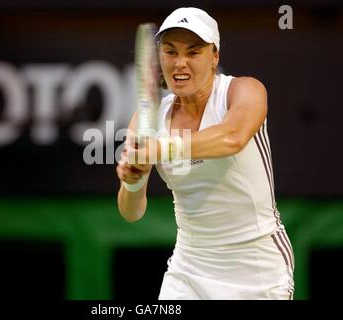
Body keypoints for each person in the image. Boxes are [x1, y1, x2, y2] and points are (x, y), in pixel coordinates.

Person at [116, 7, 294, 300]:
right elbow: (131, 212)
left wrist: (161, 148)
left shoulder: (244, 90)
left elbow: (231, 138)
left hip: (257, 268)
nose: (180, 63)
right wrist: (132, 181)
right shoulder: (148, 119)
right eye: (170, 52)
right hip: (189, 269)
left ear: (215, 57)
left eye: (193, 52)